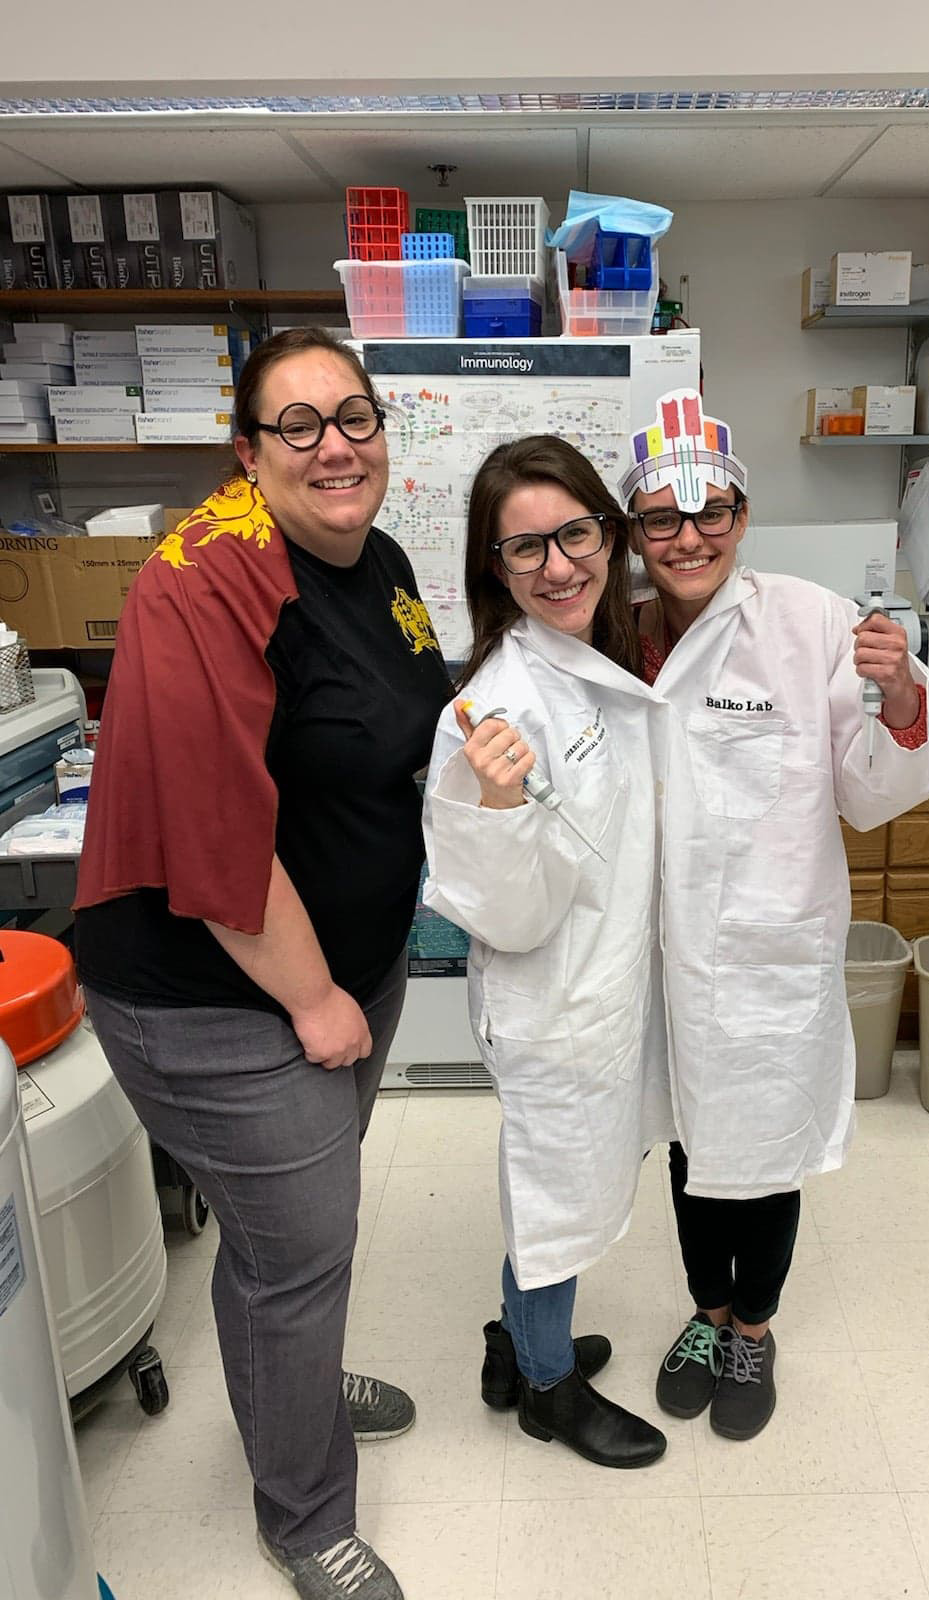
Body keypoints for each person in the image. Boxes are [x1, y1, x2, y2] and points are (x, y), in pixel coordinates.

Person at [73, 328, 452, 1600]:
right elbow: (217, 837)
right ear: (247, 452)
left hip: (346, 962)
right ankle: (305, 1515)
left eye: (354, 416)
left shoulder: (377, 556)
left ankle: (292, 1374)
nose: (334, 445)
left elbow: (405, 723)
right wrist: (314, 998)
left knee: (291, 1244)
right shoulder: (202, 582)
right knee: (302, 1239)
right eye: (298, 425)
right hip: (213, 989)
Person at [620, 390, 929, 1443]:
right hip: (657, 951)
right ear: (635, 530)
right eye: (663, 519)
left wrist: (904, 699)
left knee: (762, 1148)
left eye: (711, 512)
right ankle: (705, 1309)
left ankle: (753, 1327)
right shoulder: (612, 632)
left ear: (742, 512)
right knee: (686, 1142)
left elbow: (864, 791)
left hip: (773, 945)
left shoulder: (809, 619)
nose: (689, 538)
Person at [421, 435, 674, 1469]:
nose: (558, 565)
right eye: (525, 550)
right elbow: (504, 912)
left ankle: (514, 1340)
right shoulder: (491, 709)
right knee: (556, 1192)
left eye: (574, 534)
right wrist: (494, 803)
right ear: (495, 566)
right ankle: (545, 1386)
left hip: (604, 983)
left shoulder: (602, 663)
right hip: (554, 998)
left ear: (609, 537)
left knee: (562, 1184)